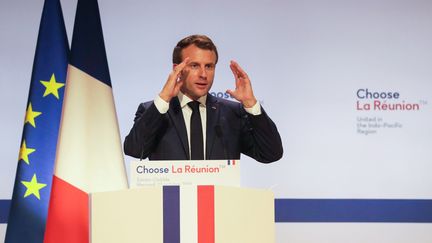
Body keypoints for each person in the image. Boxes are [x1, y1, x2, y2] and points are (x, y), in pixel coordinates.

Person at [124, 35, 283, 163]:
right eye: (194, 65)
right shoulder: (155, 111)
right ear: (177, 69)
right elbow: (134, 150)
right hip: (172, 202)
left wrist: (251, 105)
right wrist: (164, 98)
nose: (203, 74)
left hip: (219, 202)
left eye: (209, 66)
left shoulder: (232, 113)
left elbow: (270, 154)